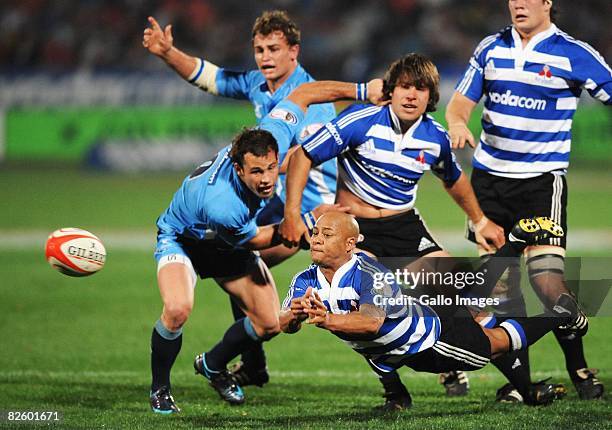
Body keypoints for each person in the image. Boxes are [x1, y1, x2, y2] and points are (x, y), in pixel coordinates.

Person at [279, 53, 506, 407]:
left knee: (464, 290)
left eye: (421, 88)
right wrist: (292, 213)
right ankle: (394, 390)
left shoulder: (436, 138)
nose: (411, 95)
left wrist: (480, 220)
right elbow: (303, 155)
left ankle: (512, 378)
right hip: (358, 229)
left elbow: (454, 179)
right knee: (360, 303)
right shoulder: (360, 120)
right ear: (391, 90)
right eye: (404, 86)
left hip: (404, 226)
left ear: (431, 96)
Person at [149, 80, 380, 414]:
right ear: (238, 168)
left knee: (270, 323)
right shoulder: (223, 204)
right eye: (256, 172)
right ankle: (160, 389)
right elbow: (256, 240)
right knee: (177, 309)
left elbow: (305, 94)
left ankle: (213, 365)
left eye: (272, 167)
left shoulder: (271, 135)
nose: (267, 179)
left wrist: (362, 91)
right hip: (184, 239)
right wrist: (306, 224)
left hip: (224, 244)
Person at [143, 10, 340, 387]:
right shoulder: (257, 83)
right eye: (259, 49)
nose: (265, 57)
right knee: (238, 263)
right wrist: (168, 53)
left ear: (294, 52)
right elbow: (211, 78)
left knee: (241, 262)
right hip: (270, 198)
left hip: (306, 198)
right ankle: (249, 362)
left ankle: (235, 360)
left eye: (274, 49)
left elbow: (306, 156)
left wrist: (257, 168)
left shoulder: (310, 100)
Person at [446, 0, 609, 401]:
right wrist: (456, 123)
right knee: (500, 290)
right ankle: (522, 385)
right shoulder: (490, 49)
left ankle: (579, 368)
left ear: (547, 3)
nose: (517, 4)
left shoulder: (576, 54)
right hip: (488, 186)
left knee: (549, 285)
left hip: (541, 184)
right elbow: (459, 104)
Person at [280, 212, 580, 407]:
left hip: (434, 339)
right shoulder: (304, 279)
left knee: (495, 343)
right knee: (474, 301)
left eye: (326, 234)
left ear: (348, 245)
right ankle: (514, 245)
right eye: (316, 232)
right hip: (422, 312)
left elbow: (371, 324)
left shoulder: (369, 272)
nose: (316, 238)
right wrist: (293, 316)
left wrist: (327, 318)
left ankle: (561, 313)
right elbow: (285, 323)